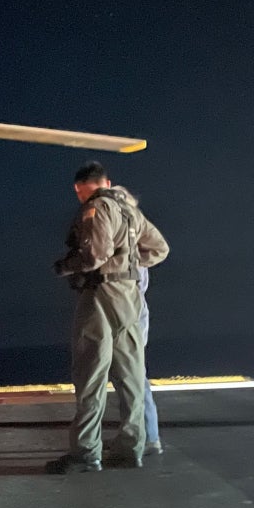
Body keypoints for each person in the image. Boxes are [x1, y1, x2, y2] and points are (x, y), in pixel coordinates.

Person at [47, 162, 169, 473]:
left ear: (81, 188)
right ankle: (132, 448)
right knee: (130, 373)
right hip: (130, 297)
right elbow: (159, 249)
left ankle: (87, 452)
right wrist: (127, 263)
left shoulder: (96, 208)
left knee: (91, 371)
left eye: (78, 192)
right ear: (107, 181)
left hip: (101, 295)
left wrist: (64, 267)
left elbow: (94, 256)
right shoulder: (129, 210)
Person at [110, 186, 163, 456]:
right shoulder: (135, 240)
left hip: (130, 314)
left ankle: (148, 437)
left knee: (133, 378)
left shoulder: (129, 243)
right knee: (131, 377)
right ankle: (143, 434)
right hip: (133, 312)